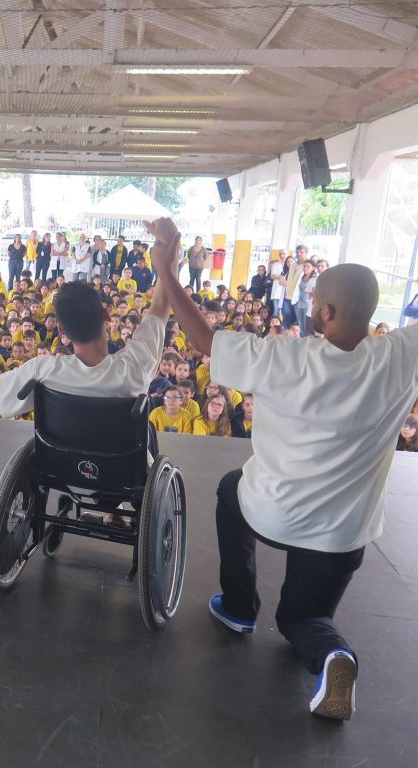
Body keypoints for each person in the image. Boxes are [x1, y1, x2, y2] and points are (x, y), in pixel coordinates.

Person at [153, 232, 418, 721]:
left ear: (326, 314)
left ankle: (237, 607)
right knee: (305, 619)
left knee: (231, 491)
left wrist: (167, 269)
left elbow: (203, 341)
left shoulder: (284, 357)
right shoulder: (402, 357)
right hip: (341, 534)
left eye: (316, 300)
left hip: (269, 510)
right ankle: (334, 656)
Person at [0, 217, 179, 533]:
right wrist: (169, 248)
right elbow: (160, 307)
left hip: (61, 472)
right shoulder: (135, 365)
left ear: (61, 330)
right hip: (122, 477)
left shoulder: (44, 370)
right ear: (106, 315)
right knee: (146, 433)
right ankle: (118, 511)